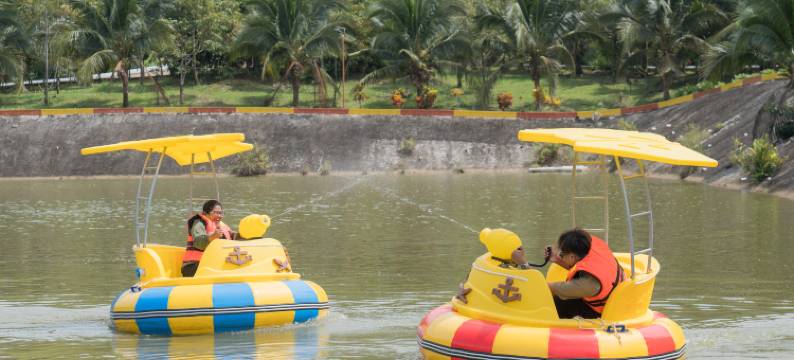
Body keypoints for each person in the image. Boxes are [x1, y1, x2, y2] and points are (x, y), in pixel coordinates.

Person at [543, 228, 624, 319]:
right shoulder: (589, 245)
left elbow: (561, 289)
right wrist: (556, 258)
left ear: (572, 256)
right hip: (612, 288)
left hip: (601, 310)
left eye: (561, 254)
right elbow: (578, 263)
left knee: (559, 302)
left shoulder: (590, 283)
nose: (559, 255)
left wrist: (541, 285)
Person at [181, 200, 236, 277]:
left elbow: (233, 237)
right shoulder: (199, 223)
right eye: (216, 212)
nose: (219, 216)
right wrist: (212, 237)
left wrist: (243, 234)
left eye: (220, 213)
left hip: (211, 264)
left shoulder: (221, 226)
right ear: (206, 213)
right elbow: (199, 243)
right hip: (193, 266)